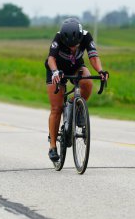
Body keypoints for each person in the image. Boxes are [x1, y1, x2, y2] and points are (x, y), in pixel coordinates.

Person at [45, 18, 109, 162]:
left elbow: (93, 56)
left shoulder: (86, 36)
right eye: (70, 46)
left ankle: (76, 106)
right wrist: (55, 71)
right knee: (57, 108)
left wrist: (100, 71)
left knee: (86, 80)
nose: (73, 48)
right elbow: (51, 59)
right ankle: (53, 146)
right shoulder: (58, 37)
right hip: (56, 70)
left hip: (75, 67)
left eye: (76, 45)